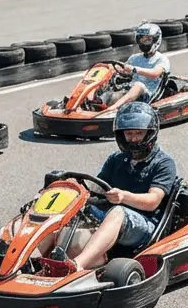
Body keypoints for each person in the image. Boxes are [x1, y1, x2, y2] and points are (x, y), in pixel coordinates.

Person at [69, 102, 179, 271]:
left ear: (149, 133)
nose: (133, 138)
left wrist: (123, 197)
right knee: (71, 209)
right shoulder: (116, 159)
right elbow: (96, 187)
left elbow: (153, 201)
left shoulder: (164, 163)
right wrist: (70, 192)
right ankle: (27, 262)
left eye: (138, 133)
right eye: (129, 133)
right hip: (112, 215)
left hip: (146, 225)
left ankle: (77, 265)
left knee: (118, 212)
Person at [113, 22, 171, 107]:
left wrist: (134, 69)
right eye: (142, 40)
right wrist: (114, 69)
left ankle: (112, 109)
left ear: (156, 40)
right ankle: (96, 106)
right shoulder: (134, 58)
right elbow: (125, 72)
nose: (144, 43)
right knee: (111, 87)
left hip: (149, 94)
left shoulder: (161, 59)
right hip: (130, 90)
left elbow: (155, 74)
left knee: (138, 85)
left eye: (148, 40)